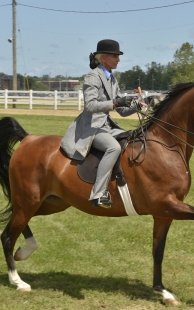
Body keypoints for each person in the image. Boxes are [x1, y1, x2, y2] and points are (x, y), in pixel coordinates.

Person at [60, 39, 140, 209]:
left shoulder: (112, 79)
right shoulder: (92, 76)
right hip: (92, 126)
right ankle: (98, 194)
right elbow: (90, 106)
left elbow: (122, 111)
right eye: (115, 56)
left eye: (118, 56)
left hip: (107, 125)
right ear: (103, 58)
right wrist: (116, 103)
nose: (118, 59)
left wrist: (138, 105)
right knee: (114, 148)